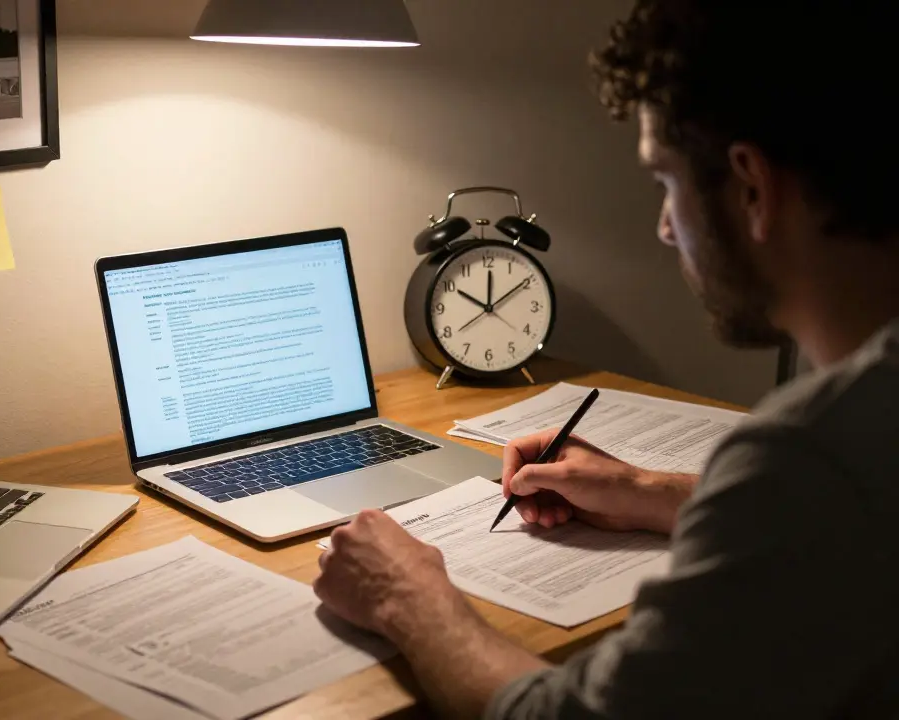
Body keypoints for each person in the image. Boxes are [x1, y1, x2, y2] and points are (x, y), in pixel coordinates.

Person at [313, 1, 899, 718]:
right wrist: (648, 490)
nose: (663, 227)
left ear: (751, 186)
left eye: (664, 181)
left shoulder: (807, 461)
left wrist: (405, 595)